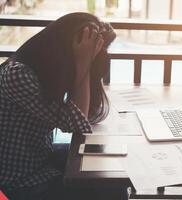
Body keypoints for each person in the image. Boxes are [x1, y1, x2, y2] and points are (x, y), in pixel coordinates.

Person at [0, 12, 127, 200]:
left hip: (41, 158)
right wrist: (83, 62)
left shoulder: (47, 71)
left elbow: (87, 116)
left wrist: (88, 64)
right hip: (20, 182)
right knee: (109, 188)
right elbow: (77, 124)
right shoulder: (18, 75)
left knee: (109, 169)